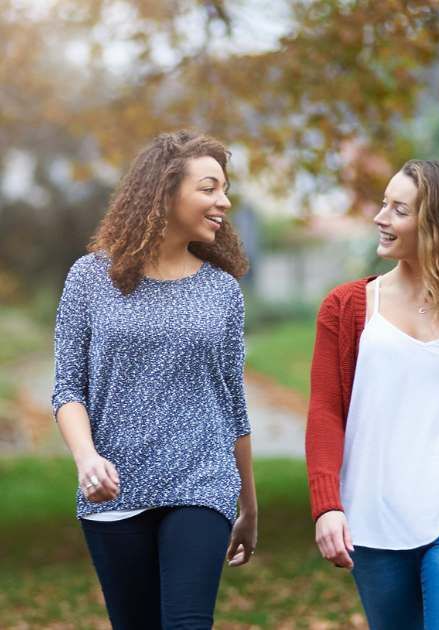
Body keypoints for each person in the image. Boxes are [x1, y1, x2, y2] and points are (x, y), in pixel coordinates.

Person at [305, 159, 439, 629]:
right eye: (383, 205)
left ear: (436, 224)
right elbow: (326, 414)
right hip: (373, 518)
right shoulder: (347, 308)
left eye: (398, 209)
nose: (380, 218)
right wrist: (327, 506)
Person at [52, 130, 258, 629]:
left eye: (224, 189)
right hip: (114, 488)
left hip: (201, 484)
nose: (223, 201)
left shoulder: (223, 292)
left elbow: (233, 403)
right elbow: (67, 388)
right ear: (164, 192)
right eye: (208, 188)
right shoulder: (89, 278)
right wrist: (87, 459)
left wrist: (247, 503)